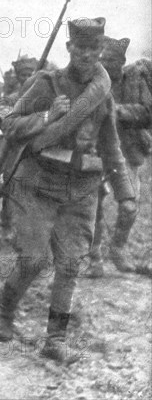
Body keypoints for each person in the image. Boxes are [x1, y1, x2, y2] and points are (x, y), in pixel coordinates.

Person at [0, 18, 136, 362]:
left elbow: (111, 145)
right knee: (35, 259)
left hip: (81, 187)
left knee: (70, 264)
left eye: (94, 49)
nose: (87, 55)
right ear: (69, 48)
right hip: (37, 182)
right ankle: (4, 313)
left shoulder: (102, 92)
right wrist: (46, 118)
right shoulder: (47, 84)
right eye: (80, 48)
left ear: (101, 50)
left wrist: (125, 191)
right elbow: (10, 123)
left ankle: (55, 339)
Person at [86, 36, 152, 277]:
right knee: (94, 205)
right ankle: (94, 258)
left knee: (130, 205)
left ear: (121, 62)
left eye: (111, 61)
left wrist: (118, 111)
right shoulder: (93, 80)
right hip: (97, 151)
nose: (105, 64)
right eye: (102, 59)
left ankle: (118, 248)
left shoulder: (134, 81)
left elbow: (148, 113)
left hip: (127, 151)